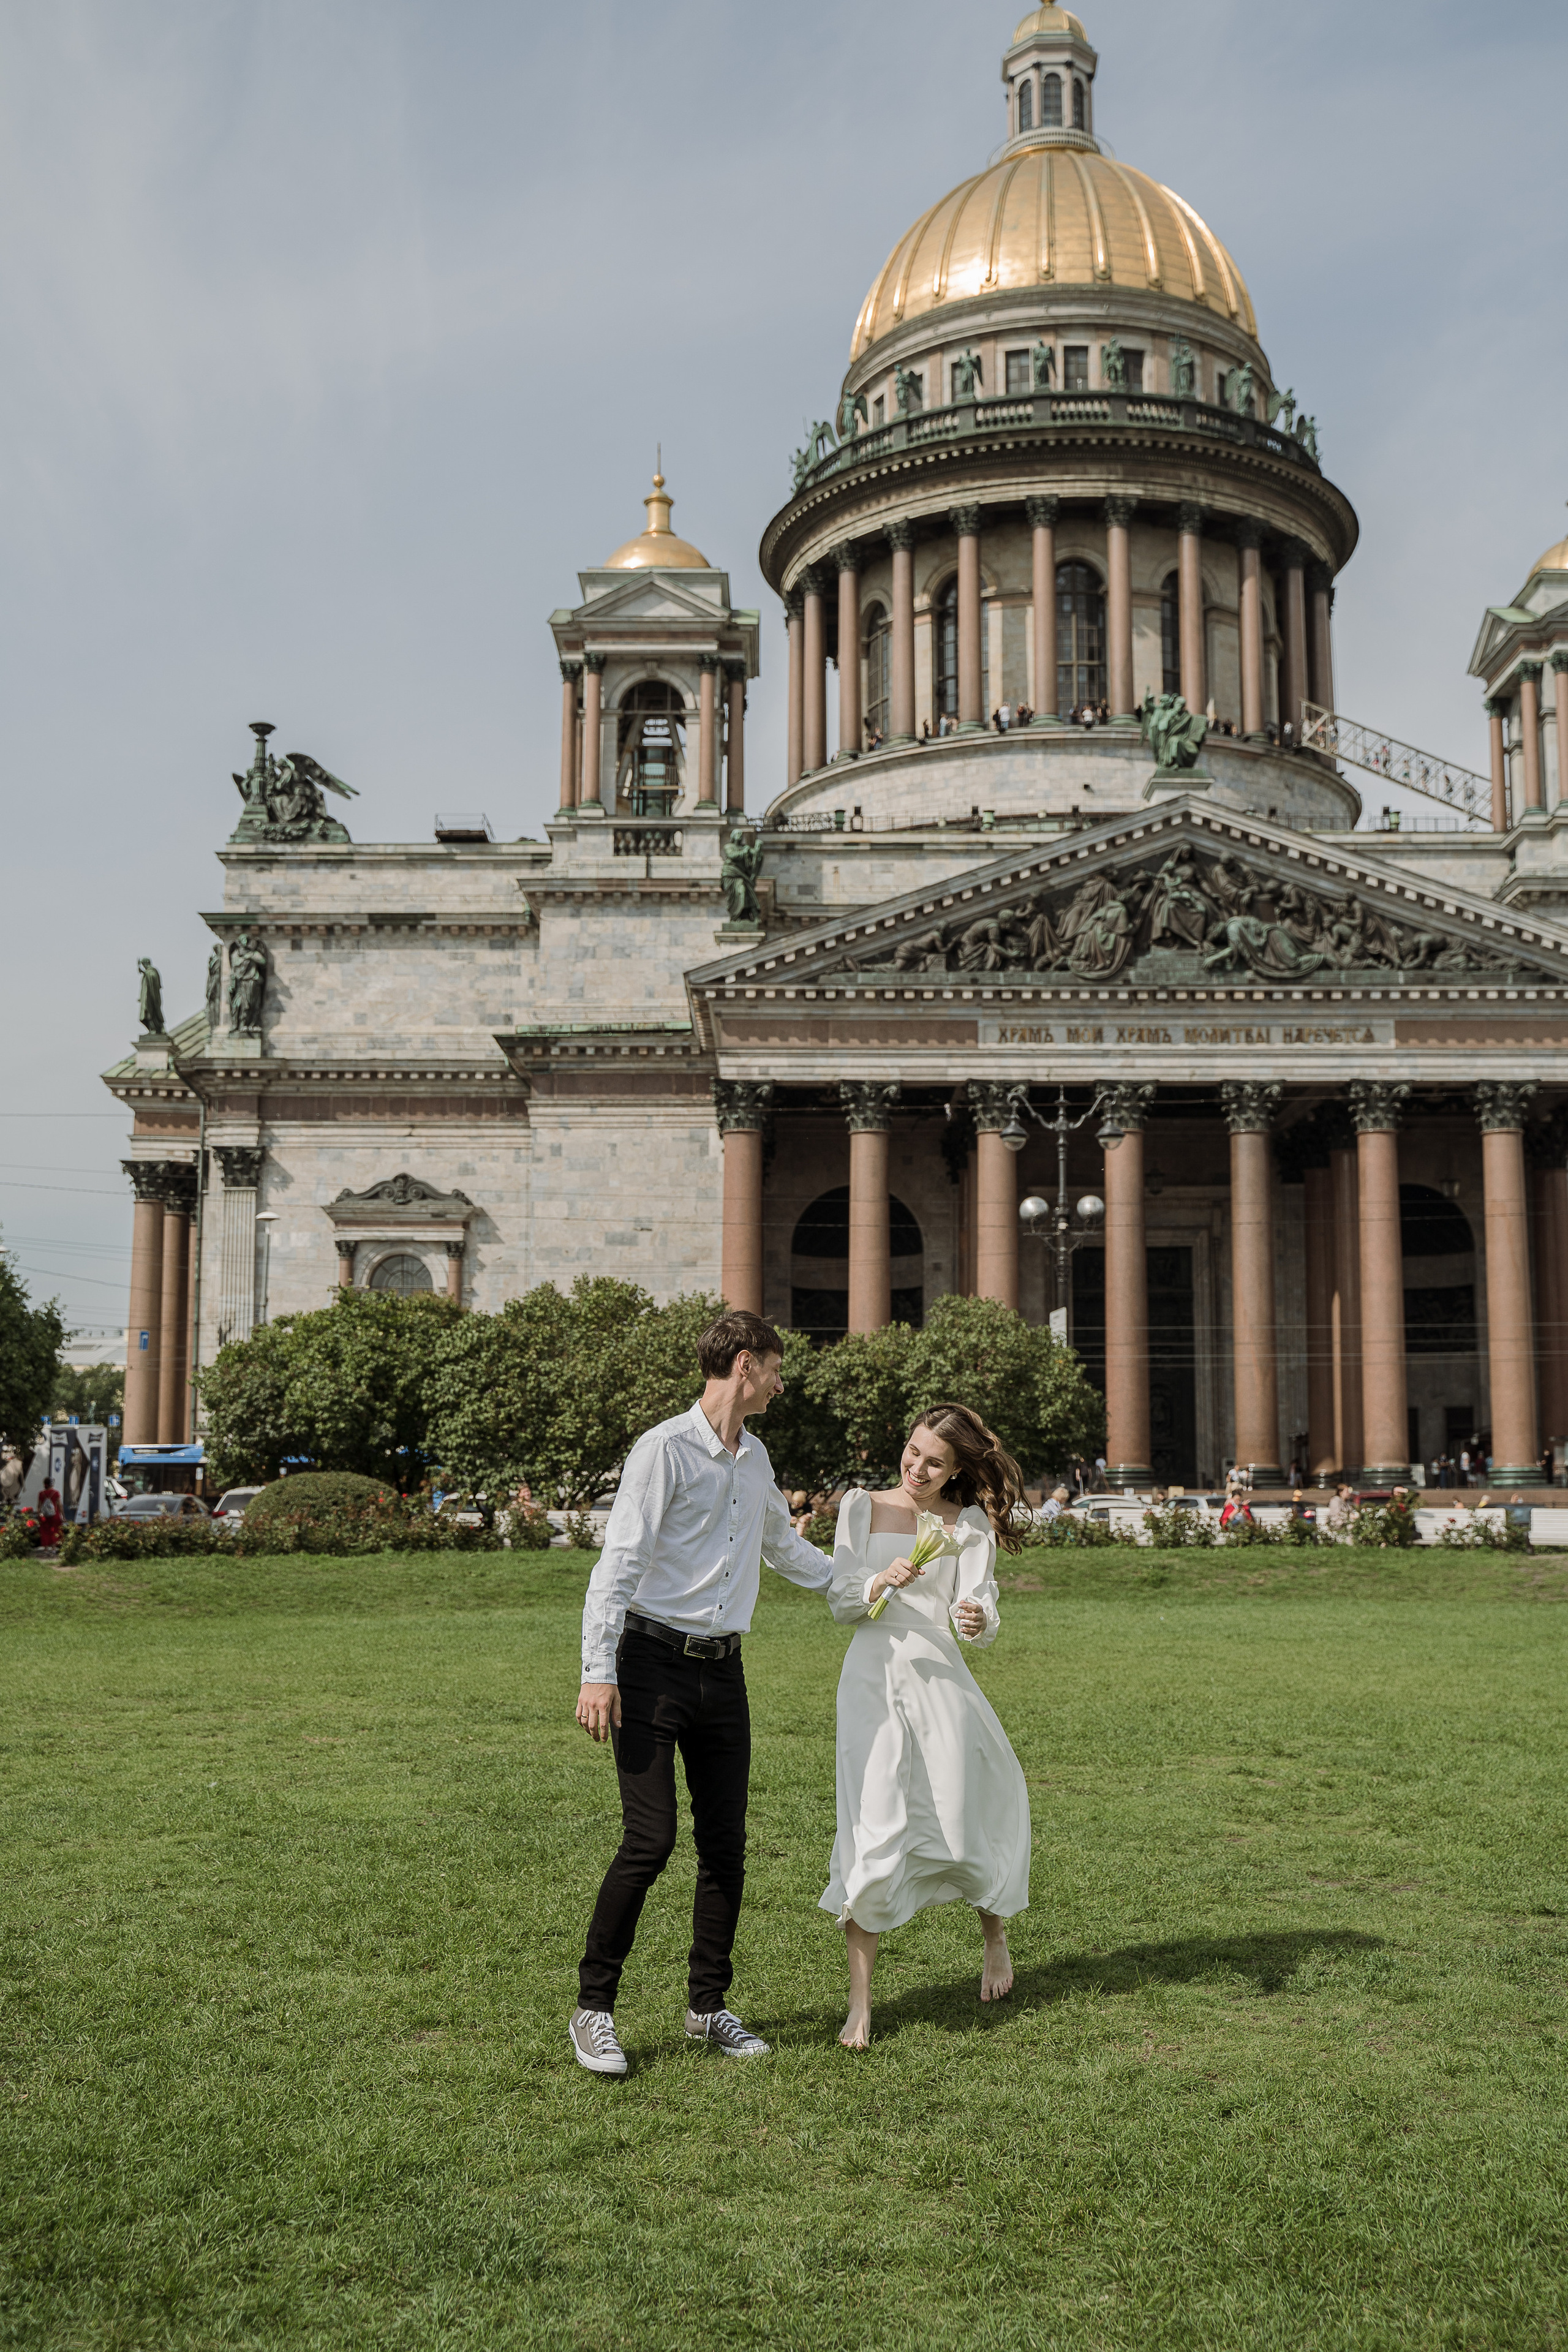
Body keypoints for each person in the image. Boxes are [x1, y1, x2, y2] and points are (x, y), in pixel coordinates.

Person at [569, 1311, 834, 2077]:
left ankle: (707, 2006)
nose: (782, 1385)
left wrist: (862, 1583)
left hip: (724, 1672)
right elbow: (618, 1564)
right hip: (649, 1665)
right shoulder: (663, 1450)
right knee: (649, 1841)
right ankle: (594, 2012)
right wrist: (599, 1670)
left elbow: (783, 1548)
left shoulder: (755, 1460)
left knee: (726, 1846)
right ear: (745, 1366)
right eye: (777, 1369)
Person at [821, 1404, 1031, 2049]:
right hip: (871, 1684)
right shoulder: (860, 1506)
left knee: (966, 1817)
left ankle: (994, 1941)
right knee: (873, 1825)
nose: (916, 1468)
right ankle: (860, 2004)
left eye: (934, 1462)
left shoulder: (967, 1525)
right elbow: (839, 1601)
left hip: (940, 1681)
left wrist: (976, 1620)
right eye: (913, 1452)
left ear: (959, 1470)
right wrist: (876, 1582)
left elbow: (980, 1608)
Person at [36, 1479, 62, 1551]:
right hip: (55, 1515)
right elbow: (60, 1505)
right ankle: (54, 1547)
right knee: (55, 1530)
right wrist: (63, 1516)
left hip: (44, 1516)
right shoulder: (56, 1493)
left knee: (45, 1531)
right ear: (52, 1484)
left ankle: (46, 1547)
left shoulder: (41, 1494)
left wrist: (39, 1515)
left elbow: (39, 1506)